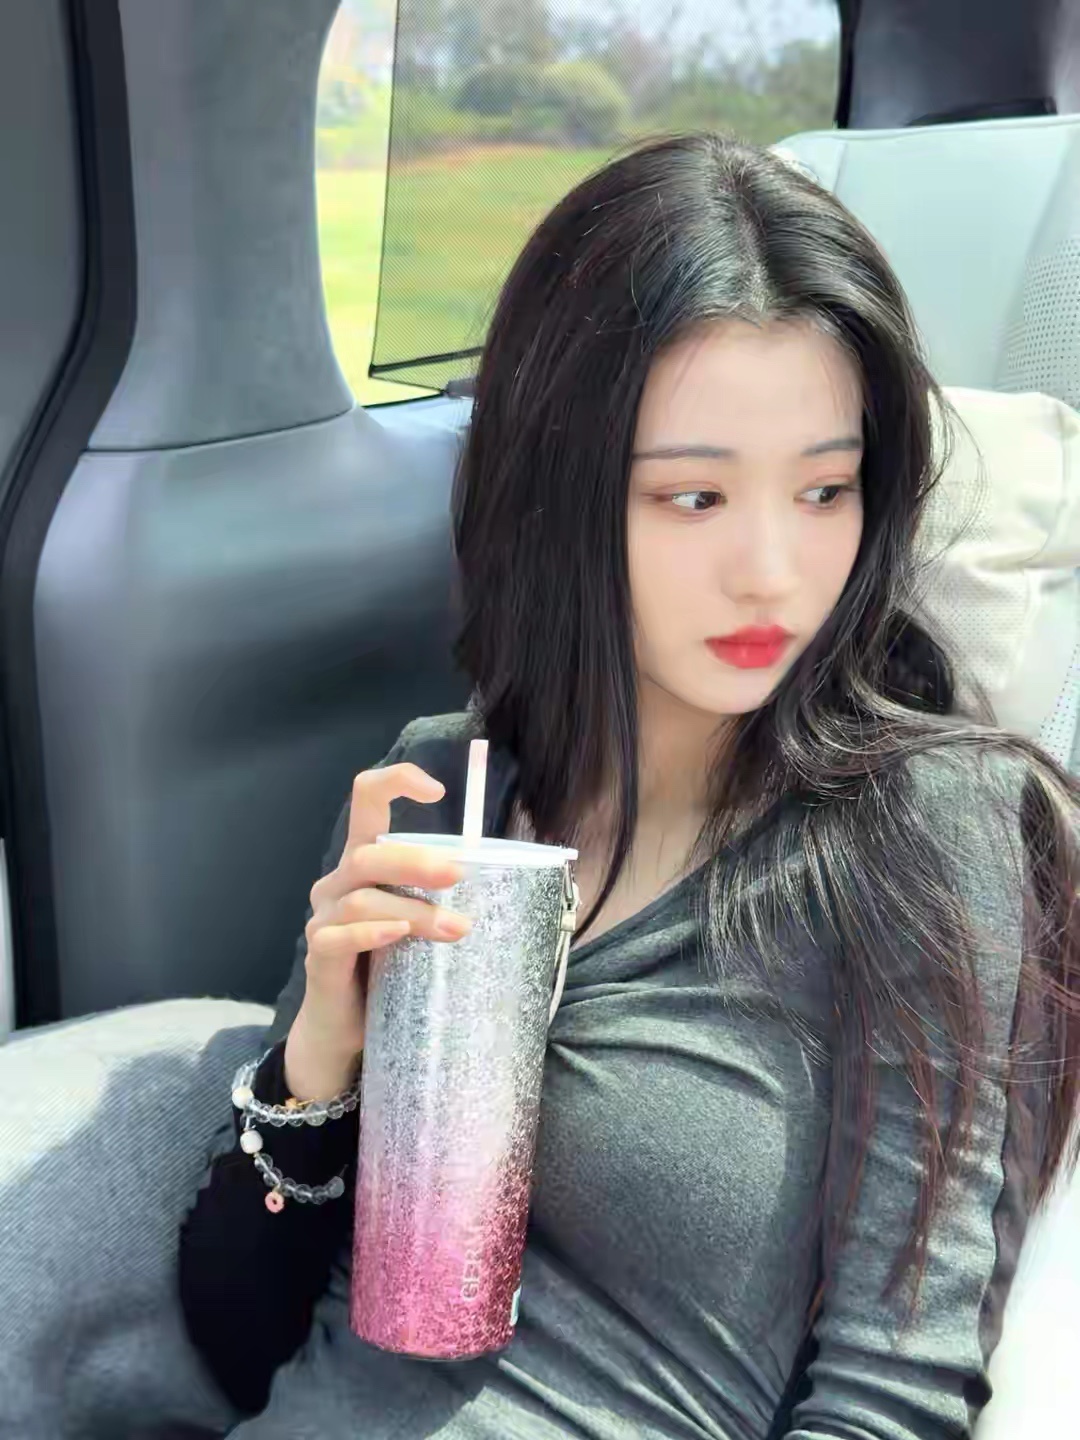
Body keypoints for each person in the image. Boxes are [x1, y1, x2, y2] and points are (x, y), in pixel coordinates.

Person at [178, 132, 1080, 1439]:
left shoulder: (929, 835)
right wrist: (321, 1060)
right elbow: (242, 1342)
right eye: (695, 498)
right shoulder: (438, 790)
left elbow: (894, 1395)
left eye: (825, 489)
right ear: (559, 492)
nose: (773, 570)